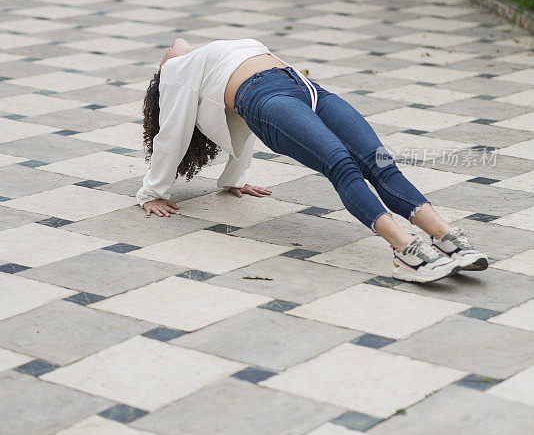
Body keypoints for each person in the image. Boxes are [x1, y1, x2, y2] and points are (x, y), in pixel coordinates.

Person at [137, 37, 488, 284]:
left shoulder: (209, 54)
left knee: (380, 162)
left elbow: (236, 129)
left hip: (310, 90)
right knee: (341, 165)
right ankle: (405, 251)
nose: (171, 45)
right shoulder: (175, 72)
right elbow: (172, 132)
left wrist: (234, 180)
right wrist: (154, 191)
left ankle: (445, 237)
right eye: (166, 51)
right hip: (266, 98)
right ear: (164, 67)